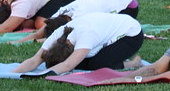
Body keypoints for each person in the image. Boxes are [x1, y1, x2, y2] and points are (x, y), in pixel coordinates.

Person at [12, 12, 144, 74]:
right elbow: (34, 60)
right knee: (82, 63)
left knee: (96, 65)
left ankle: (132, 63)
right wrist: (13, 74)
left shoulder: (86, 37)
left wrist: (42, 76)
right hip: (104, 29)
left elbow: (67, 66)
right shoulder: (57, 35)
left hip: (131, 34)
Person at [15, 0, 138, 43]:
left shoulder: (82, 19)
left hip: (128, 5)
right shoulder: (58, 14)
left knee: (105, 31)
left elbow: (74, 38)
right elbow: (37, 34)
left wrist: (43, 40)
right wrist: (15, 42)